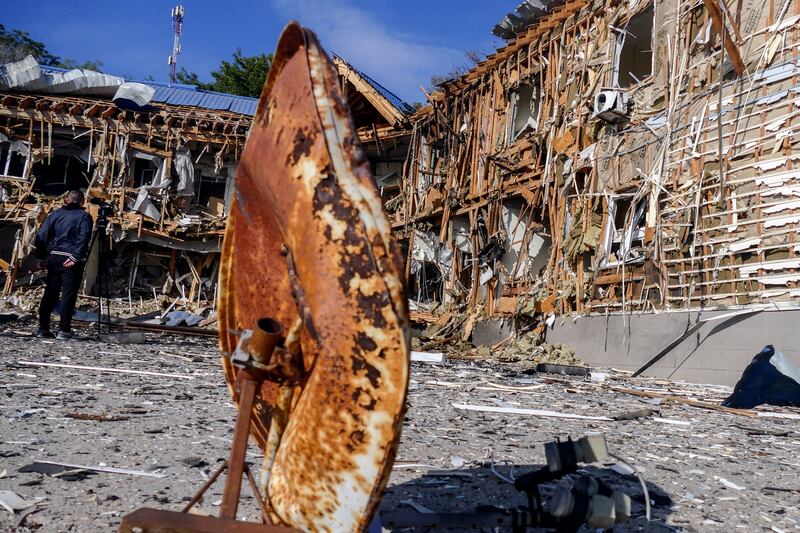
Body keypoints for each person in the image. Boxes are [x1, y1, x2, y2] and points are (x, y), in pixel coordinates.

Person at [33, 190, 93, 339]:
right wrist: (76, 256)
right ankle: (64, 330)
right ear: (83, 202)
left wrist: (41, 257)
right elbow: (84, 237)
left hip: (55, 257)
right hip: (71, 258)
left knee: (50, 293)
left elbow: (41, 235)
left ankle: (43, 328)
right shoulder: (84, 216)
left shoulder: (56, 214)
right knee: (68, 295)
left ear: (67, 200)